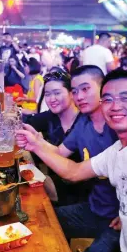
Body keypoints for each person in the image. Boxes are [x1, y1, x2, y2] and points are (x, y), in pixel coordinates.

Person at [16, 69, 127, 252]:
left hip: (122, 231)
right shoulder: (112, 150)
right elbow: (73, 171)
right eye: (108, 99)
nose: (115, 106)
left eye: (124, 98)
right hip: (99, 214)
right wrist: (37, 144)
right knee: (40, 221)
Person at [24, 70, 92, 206]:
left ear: (72, 94)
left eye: (57, 93)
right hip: (56, 185)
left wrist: (38, 143)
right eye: (47, 94)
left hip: (83, 191)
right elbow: (23, 124)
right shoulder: (50, 117)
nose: (51, 99)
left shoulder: (85, 121)